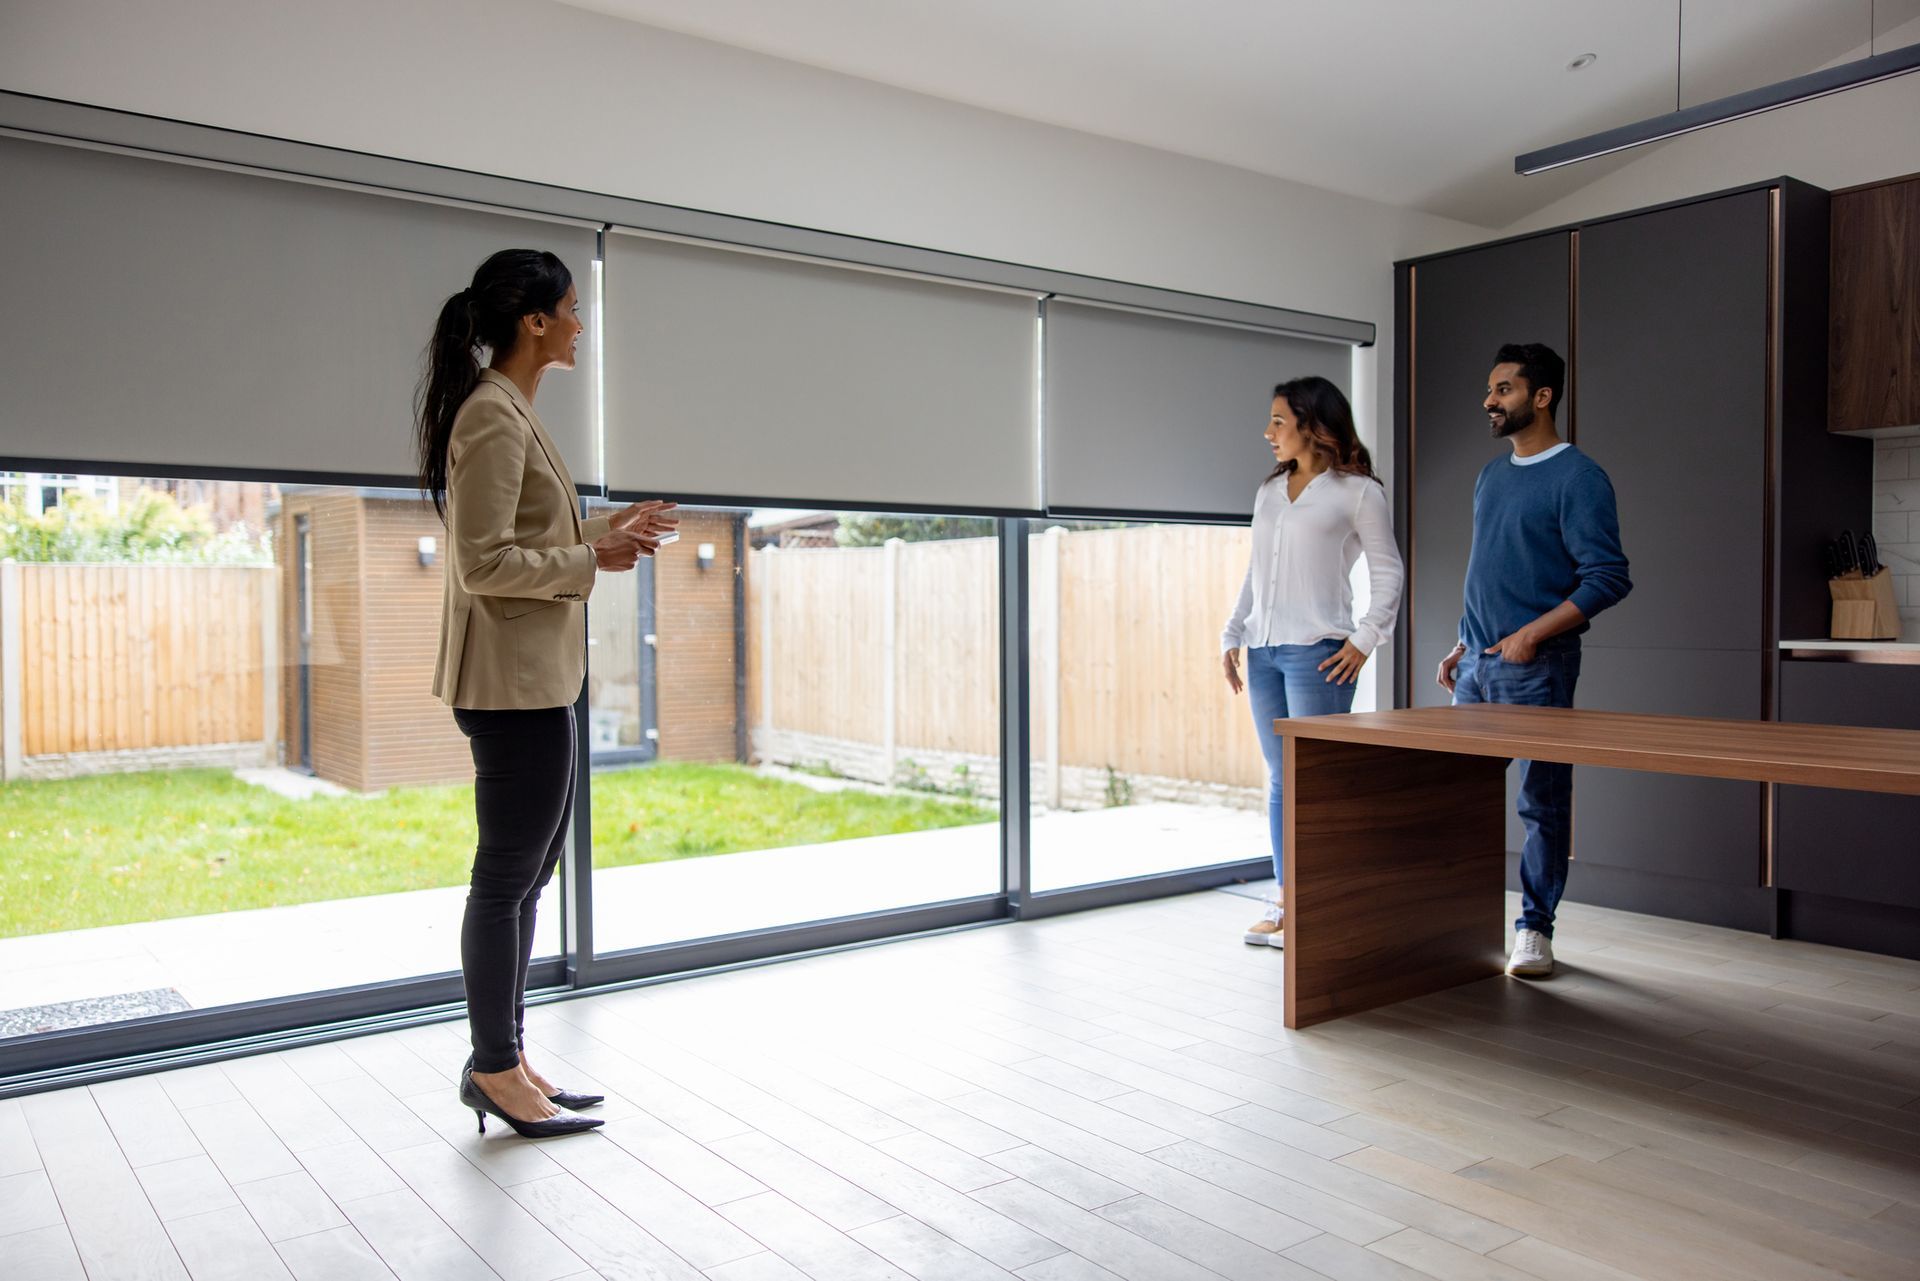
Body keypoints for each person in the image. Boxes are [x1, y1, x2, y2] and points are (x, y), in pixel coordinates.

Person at [416, 248, 677, 1137]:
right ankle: (493, 1067)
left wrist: (610, 530)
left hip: (539, 680)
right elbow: (483, 562)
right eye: (569, 306)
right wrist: (588, 557)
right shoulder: (491, 417)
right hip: (510, 687)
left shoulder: (512, 411)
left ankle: (509, 1056)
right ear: (533, 321)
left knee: (529, 880)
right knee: (507, 883)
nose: (578, 321)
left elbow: (534, 530)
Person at [1436, 342, 1630, 978]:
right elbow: (1488, 570)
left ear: (1541, 397)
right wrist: (1464, 643)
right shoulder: (1491, 475)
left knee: (1541, 804)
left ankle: (1534, 930)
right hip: (1476, 666)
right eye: (1490, 390)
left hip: (1537, 667)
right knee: (1460, 797)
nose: (1489, 401)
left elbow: (1607, 577)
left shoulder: (1579, 477)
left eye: (1504, 390)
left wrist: (1528, 637)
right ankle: (1458, 924)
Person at [1222, 376, 1403, 949]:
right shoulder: (1270, 492)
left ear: (1311, 423)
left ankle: (1326, 906)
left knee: (1316, 782)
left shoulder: (1357, 491)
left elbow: (1388, 571)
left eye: (1278, 420)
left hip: (1319, 654)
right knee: (1280, 781)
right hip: (1265, 650)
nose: (1268, 431)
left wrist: (1365, 639)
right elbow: (1257, 571)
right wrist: (1232, 632)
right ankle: (1287, 901)